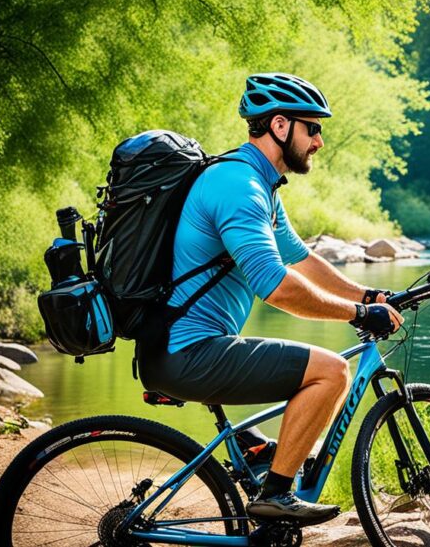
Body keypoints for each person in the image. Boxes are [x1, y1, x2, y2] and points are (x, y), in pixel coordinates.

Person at [139, 73, 403, 524]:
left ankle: (262, 465)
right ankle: (276, 496)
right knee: (332, 373)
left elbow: (301, 261)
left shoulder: (256, 183)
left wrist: (369, 293)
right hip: (188, 351)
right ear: (280, 126)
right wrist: (358, 313)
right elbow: (275, 285)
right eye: (312, 128)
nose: (319, 141)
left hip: (186, 347)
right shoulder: (238, 187)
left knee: (306, 395)